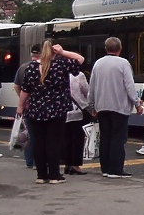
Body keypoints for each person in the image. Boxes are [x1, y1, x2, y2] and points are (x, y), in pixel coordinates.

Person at [17, 40, 85, 184]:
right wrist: (62, 52)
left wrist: (20, 106)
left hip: (36, 109)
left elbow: (25, 90)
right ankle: (54, 174)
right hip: (57, 109)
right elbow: (80, 59)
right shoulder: (60, 66)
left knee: (39, 142)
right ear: (54, 51)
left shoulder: (32, 68)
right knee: (54, 142)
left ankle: (41, 175)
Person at [87, 37, 142, 178]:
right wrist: (137, 103)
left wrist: (92, 105)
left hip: (102, 106)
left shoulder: (98, 64)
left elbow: (91, 86)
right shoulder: (123, 64)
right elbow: (129, 86)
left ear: (106, 49)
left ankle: (105, 168)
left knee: (105, 137)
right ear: (120, 49)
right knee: (118, 138)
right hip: (119, 106)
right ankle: (116, 169)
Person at [13, 43, 42, 168]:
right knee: (38, 135)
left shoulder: (23, 67)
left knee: (29, 134)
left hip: (26, 106)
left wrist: (23, 100)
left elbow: (16, 86)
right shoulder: (42, 68)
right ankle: (38, 161)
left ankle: (29, 160)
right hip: (39, 106)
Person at [63, 71, 90, 175]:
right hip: (76, 111)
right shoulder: (78, 75)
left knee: (66, 139)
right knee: (77, 139)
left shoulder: (57, 73)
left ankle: (67, 164)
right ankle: (75, 165)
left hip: (63, 112)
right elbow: (86, 91)